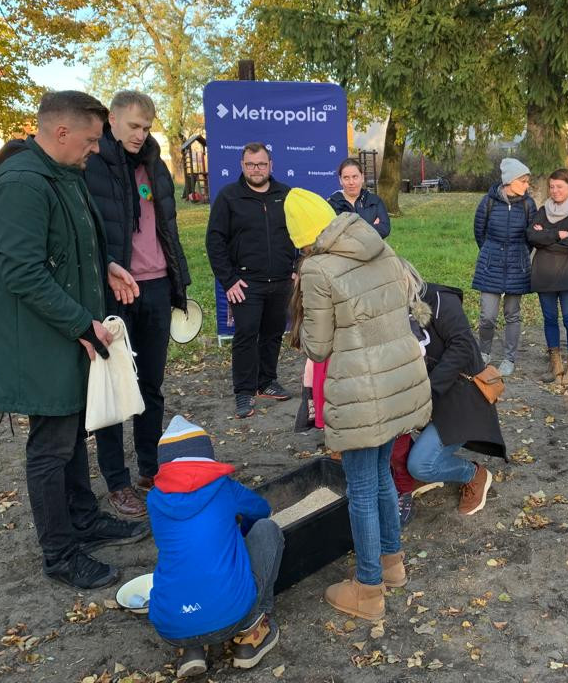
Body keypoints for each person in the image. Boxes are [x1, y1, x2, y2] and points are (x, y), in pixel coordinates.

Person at [0, 91, 148, 589]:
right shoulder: (23, 182)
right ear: (61, 132)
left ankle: (83, 517)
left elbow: (71, 247)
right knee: (50, 447)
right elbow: (23, 272)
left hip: (69, 334)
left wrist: (106, 265)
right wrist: (79, 323)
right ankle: (60, 551)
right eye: (92, 140)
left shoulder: (64, 176)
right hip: (43, 341)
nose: (97, 149)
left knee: (73, 436)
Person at [285, 189, 431, 622]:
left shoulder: (317, 269)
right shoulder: (378, 246)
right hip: (398, 383)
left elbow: (318, 345)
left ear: (302, 239)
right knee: (382, 477)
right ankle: (392, 564)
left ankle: (368, 588)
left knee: (362, 491)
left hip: (361, 392)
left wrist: (303, 306)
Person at [83, 90, 191, 518]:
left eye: (146, 128)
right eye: (133, 126)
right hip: (114, 291)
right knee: (114, 388)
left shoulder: (155, 163)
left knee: (150, 385)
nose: (140, 134)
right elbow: (87, 234)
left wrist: (178, 280)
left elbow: (167, 228)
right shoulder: (92, 164)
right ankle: (117, 482)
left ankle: (150, 467)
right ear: (112, 119)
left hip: (158, 287)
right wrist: (107, 267)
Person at [147, 416, 282, 677]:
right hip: (231, 613)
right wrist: (241, 530)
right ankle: (253, 629)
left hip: (171, 624)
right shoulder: (223, 487)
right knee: (268, 530)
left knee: (183, 560)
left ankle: (192, 649)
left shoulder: (154, 500)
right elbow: (262, 510)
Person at [402, 272, 507, 519]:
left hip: (460, 397)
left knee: (420, 465)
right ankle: (425, 471)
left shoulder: (438, 300)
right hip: (428, 397)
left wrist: (427, 392)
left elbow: (462, 346)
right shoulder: (386, 310)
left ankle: (473, 474)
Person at [206, 142, 295, 418]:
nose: (256, 169)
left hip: (281, 280)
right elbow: (215, 241)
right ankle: (244, 392)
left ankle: (266, 381)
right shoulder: (229, 197)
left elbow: (302, 233)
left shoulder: (287, 195)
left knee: (272, 334)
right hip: (246, 283)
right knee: (246, 336)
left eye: (261, 164)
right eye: (250, 164)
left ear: (271, 165)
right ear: (242, 166)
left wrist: (298, 266)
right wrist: (229, 280)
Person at [472, 157, 537, 376]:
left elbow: (531, 237)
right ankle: (484, 352)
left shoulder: (529, 204)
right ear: (510, 181)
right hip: (491, 264)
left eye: (528, 181)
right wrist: (491, 252)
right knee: (487, 315)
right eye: (523, 181)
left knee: (512, 314)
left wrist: (518, 255)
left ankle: (509, 358)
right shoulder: (488, 201)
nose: (527, 185)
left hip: (517, 265)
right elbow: (479, 232)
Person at [527, 167, 568, 386]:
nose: (554, 191)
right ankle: (555, 364)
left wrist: (546, 242)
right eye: (551, 187)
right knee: (549, 318)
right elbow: (531, 235)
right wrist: (556, 234)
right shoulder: (544, 209)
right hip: (545, 273)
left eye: (560, 187)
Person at [327, 157, 390, 238]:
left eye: (355, 177)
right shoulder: (332, 204)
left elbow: (385, 229)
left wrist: (349, 231)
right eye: (346, 178)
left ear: (362, 177)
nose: (351, 182)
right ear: (340, 180)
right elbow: (332, 235)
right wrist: (370, 228)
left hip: (373, 250)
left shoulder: (374, 201)